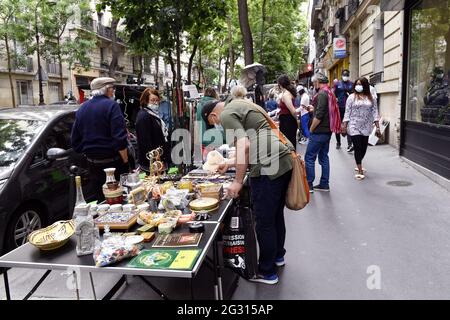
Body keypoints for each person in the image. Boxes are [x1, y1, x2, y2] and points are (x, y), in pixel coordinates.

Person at [202, 97, 294, 285]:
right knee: (275, 215)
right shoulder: (240, 104)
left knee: (264, 221)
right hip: (282, 158)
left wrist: (237, 182)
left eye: (214, 123)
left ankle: (267, 272)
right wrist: (229, 162)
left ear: (213, 115)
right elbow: (252, 142)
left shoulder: (226, 114)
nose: (218, 125)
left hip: (268, 165)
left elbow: (243, 146)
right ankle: (278, 257)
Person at [71, 77, 129, 200]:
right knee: (117, 199)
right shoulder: (112, 106)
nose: (114, 91)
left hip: (92, 164)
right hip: (112, 163)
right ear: (107, 90)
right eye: (113, 88)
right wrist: (125, 161)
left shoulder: (82, 108)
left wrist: (89, 151)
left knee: (100, 200)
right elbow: (120, 138)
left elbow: (75, 141)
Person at [305, 72, 341, 193]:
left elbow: (319, 115)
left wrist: (311, 129)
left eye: (314, 82)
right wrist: (313, 109)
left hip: (319, 131)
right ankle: (324, 184)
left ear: (317, 82)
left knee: (309, 157)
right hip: (327, 130)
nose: (314, 84)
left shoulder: (322, 94)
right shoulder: (329, 92)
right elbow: (324, 110)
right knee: (324, 157)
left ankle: (309, 184)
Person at [342, 77, 381, 180]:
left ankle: (359, 161)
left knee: (363, 148)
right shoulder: (351, 97)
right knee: (357, 147)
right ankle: (359, 169)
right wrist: (344, 126)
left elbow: (375, 112)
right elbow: (347, 112)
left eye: (360, 84)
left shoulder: (371, 98)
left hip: (366, 126)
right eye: (357, 84)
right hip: (354, 125)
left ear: (365, 86)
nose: (358, 86)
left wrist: (377, 126)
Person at [135, 87, 170, 173]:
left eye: (157, 100)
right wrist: (154, 160)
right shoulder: (144, 116)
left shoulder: (153, 115)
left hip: (158, 159)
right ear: (146, 101)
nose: (155, 103)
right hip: (150, 163)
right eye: (152, 100)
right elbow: (145, 142)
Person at [333, 69, 354, 151]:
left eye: (347, 75)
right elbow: (333, 94)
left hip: (348, 108)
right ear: (341, 75)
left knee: (349, 125)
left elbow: (354, 94)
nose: (345, 76)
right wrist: (335, 99)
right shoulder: (337, 84)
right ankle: (338, 142)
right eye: (344, 75)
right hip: (339, 108)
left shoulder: (351, 84)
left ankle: (350, 143)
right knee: (338, 125)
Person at [277, 75, 299, 147]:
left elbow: (293, 111)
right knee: (289, 142)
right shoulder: (286, 93)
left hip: (287, 122)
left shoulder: (286, 94)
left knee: (289, 143)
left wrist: (297, 120)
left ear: (280, 84)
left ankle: (292, 158)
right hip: (287, 121)